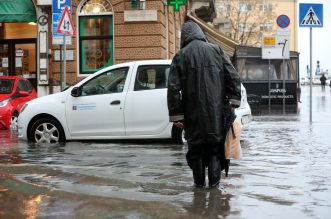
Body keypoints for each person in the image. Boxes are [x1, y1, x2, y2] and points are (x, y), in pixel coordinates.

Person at [167, 20, 241, 188]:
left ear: (184, 37)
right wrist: (232, 103)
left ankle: (198, 191)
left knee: (196, 152)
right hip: (216, 114)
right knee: (215, 150)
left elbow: (172, 88)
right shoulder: (216, 50)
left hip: (192, 116)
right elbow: (233, 76)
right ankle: (214, 192)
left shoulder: (181, 55)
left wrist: (177, 115)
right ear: (200, 34)